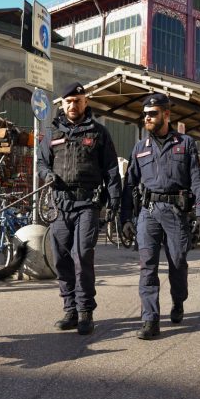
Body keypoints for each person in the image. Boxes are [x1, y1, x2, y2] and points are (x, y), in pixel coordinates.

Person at [120, 93, 200, 340]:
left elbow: (198, 180)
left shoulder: (186, 143)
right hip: (148, 213)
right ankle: (150, 320)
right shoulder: (140, 148)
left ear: (166, 115)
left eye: (153, 114)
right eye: (145, 114)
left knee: (177, 263)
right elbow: (129, 186)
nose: (147, 118)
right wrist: (125, 218)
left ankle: (178, 301)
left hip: (175, 212)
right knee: (147, 266)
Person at [38, 82, 122, 335]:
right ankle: (70, 309)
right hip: (60, 204)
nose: (73, 105)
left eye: (77, 101)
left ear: (85, 103)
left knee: (82, 254)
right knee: (61, 257)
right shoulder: (52, 133)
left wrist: (114, 201)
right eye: (68, 102)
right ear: (62, 104)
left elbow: (110, 169)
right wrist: (47, 175)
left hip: (88, 203)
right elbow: (42, 162)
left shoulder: (98, 132)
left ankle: (86, 311)